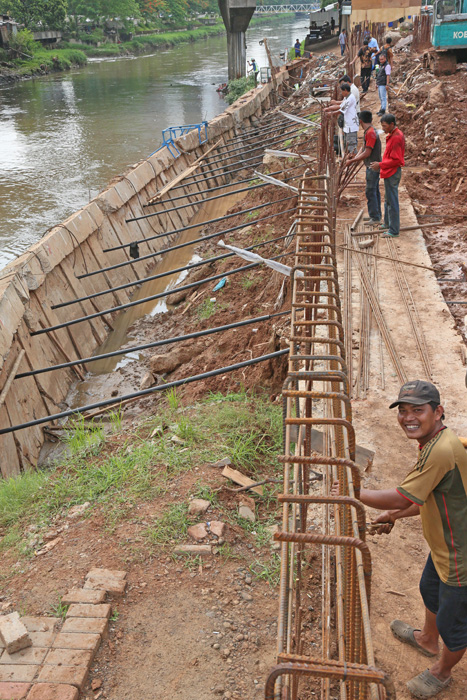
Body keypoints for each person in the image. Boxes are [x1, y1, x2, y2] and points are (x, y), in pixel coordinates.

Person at [333, 380, 467, 698]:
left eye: (417, 410)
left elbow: (399, 496)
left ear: (438, 412)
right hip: (444, 545)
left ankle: (442, 671)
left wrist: (355, 493)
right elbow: (425, 499)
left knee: (455, 623)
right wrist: (395, 516)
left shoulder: (443, 450)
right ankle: (427, 641)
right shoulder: (435, 443)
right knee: (428, 589)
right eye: (403, 410)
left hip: (461, 557)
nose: (408, 417)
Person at [370, 113, 405, 237]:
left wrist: (380, 165)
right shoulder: (393, 134)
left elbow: (396, 160)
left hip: (392, 172)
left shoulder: (396, 138)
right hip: (389, 171)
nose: (383, 129)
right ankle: (387, 223)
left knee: (392, 201)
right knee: (388, 200)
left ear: (391, 124)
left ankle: (394, 230)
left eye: (385, 126)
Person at [346, 110, 382, 224]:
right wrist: (354, 157)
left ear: (360, 121)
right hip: (371, 165)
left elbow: (367, 153)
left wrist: (353, 161)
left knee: (371, 191)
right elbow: (363, 148)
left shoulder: (370, 133)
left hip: (373, 166)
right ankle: (375, 215)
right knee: (374, 190)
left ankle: (375, 217)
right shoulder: (369, 131)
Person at [324, 82, 359, 154]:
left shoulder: (350, 98)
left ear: (345, 90)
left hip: (351, 126)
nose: (341, 93)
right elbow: (340, 106)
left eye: (342, 91)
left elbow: (341, 110)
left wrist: (331, 113)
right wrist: (329, 108)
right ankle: (352, 158)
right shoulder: (347, 97)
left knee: (351, 145)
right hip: (348, 125)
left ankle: (354, 159)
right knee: (348, 144)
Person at [375, 51, 391, 116]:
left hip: (383, 84)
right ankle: (381, 109)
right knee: (381, 97)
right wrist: (377, 83)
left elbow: (388, 75)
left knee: (383, 97)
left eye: (382, 59)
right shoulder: (381, 66)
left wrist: (387, 84)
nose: (381, 60)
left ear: (385, 59)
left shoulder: (387, 66)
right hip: (380, 83)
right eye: (380, 59)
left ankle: (383, 110)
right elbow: (379, 75)